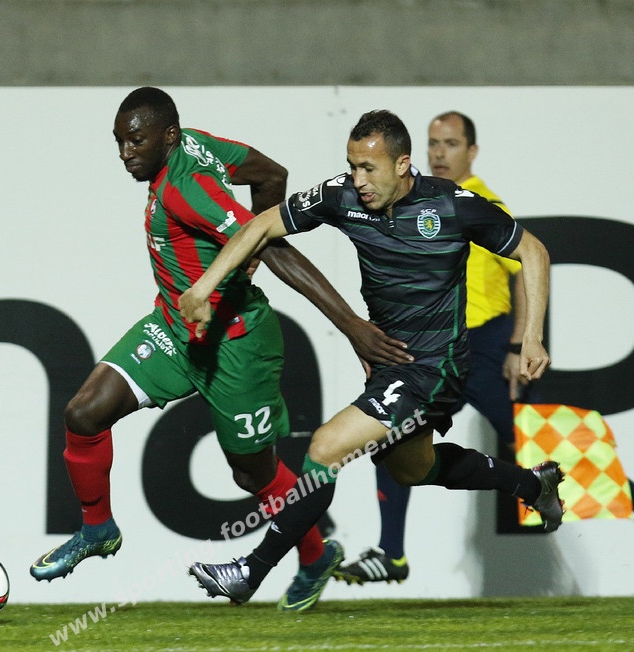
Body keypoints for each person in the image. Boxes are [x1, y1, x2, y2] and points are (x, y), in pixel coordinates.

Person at [28, 87, 409, 611]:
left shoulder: (186, 189)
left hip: (237, 345)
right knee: (84, 413)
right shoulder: (196, 145)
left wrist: (349, 325)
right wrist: (240, 253)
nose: (125, 153)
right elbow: (272, 174)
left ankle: (316, 554)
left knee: (252, 473)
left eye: (135, 141)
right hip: (174, 329)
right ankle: (98, 529)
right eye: (118, 142)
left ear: (167, 136)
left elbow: (272, 243)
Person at [183, 109, 562, 611]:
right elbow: (261, 227)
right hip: (390, 366)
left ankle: (250, 571)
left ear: (403, 164)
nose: (357, 180)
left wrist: (531, 336)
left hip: (436, 366)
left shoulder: (453, 205)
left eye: (369, 168)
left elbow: (533, 251)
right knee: (413, 469)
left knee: (325, 447)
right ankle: (531, 483)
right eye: (352, 166)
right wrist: (204, 287)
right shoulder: (341, 196)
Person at [334, 111, 634, 586]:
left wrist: (519, 343)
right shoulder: (411, 201)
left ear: (472, 151)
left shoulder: (475, 201)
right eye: (434, 143)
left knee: (542, 446)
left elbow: (523, 268)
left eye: (451, 143)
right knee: (394, 434)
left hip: (486, 348)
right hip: (433, 349)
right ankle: (390, 552)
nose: (440, 153)